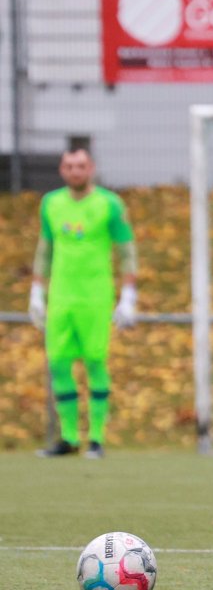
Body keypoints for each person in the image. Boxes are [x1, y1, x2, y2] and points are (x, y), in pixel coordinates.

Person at [28, 147, 138, 459]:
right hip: (61, 295)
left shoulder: (109, 204)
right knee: (59, 363)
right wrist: (36, 291)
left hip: (95, 295)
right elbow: (45, 248)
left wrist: (128, 295)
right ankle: (68, 438)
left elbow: (126, 249)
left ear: (91, 168)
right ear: (62, 170)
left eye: (80, 166)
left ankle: (97, 439)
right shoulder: (51, 203)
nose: (75, 171)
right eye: (69, 166)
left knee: (94, 361)